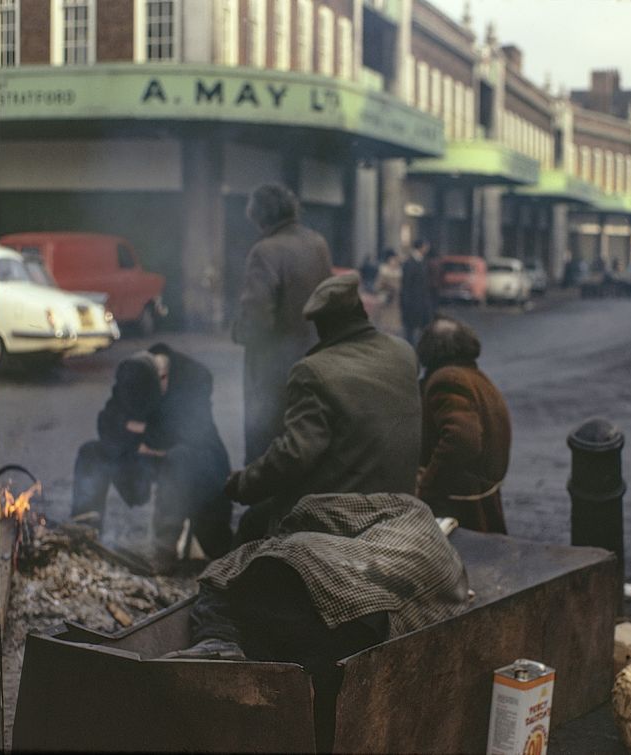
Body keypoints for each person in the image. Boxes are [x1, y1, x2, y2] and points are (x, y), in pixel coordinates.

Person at [163, 492, 470, 747]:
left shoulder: (409, 505)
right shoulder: (455, 578)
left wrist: (282, 534)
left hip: (324, 584)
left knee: (226, 572)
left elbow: (312, 507)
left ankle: (218, 640)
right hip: (372, 631)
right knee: (307, 673)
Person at [227, 272, 422, 541]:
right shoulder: (405, 353)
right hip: (400, 500)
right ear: (360, 311)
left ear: (321, 326)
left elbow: (295, 454)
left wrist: (244, 484)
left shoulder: (313, 371)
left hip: (344, 512)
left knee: (252, 524)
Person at [71, 344, 232, 573]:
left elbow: (189, 433)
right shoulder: (132, 376)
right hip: (143, 455)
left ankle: (164, 549)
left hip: (195, 463)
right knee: (92, 453)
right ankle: (84, 532)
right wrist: (144, 437)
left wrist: (138, 430)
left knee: (179, 457)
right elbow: (106, 424)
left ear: (163, 376)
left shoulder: (196, 376)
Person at [233, 183, 332, 465]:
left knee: (266, 446)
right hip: (316, 360)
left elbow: (257, 319)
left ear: (258, 215)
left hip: (273, 370)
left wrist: (238, 331)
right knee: (307, 441)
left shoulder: (265, 251)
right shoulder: (317, 242)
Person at [415, 316, 511, 534]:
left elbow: (462, 439)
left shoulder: (448, 380)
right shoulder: (475, 377)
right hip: (479, 497)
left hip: (458, 506)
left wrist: (428, 484)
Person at [400, 240, 433, 346]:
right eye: (426, 246)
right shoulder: (410, 262)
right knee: (410, 329)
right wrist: (406, 302)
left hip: (422, 300)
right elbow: (406, 284)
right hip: (413, 301)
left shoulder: (423, 261)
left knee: (423, 326)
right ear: (421, 247)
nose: (427, 248)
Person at [373, 249, 403, 336]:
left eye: (396, 260)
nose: (395, 262)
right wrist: (387, 288)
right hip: (386, 300)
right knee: (385, 324)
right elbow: (377, 285)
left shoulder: (399, 272)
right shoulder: (383, 271)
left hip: (396, 301)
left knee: (395, 325)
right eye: (393, 260)